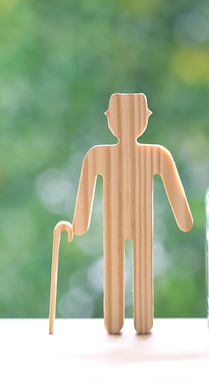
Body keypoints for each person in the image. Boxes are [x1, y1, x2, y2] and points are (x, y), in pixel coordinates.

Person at [69, 93, 193, 334]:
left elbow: (175, 194)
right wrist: (78, 225)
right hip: (120, 225)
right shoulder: (99, 156)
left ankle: (135, 322)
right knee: (122, 268)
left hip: (137, 225)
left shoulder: (155, 155)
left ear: (108, 118)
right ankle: (121, 322)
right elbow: (85, 194)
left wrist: (79, 226)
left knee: (136, 268)